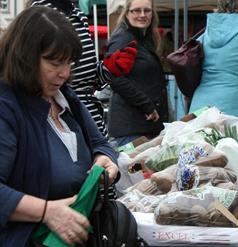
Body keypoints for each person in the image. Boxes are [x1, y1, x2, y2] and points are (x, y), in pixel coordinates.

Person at [0, 6, 119, 246]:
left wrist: (105, 160)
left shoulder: (67, 98)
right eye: (54, 63)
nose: (64, 73)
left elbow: (100, 143)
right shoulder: (7, 107)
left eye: (69, 63)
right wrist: (47, 211)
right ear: (24, 56)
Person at [28, 0, 132, 138]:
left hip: (92, 121)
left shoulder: (78, 14)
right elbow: (41, 75)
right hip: (65, 121)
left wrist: (109, 69)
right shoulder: (42, 13)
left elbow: (88, 80)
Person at [106, 0, 169, 147]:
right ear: (127, 13)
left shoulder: (144, 39)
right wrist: (146, 105)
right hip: (131, 128)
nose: (142, 15)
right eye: (136, 10)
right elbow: (114, 77)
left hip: (145, 126)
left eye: (147, 10)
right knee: (135, 170)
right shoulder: (123, 38)